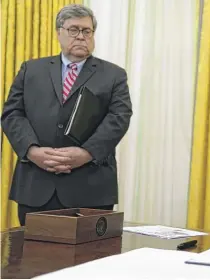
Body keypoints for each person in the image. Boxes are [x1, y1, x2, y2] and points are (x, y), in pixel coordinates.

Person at [1, 4, 132, 225]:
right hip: (36, 185)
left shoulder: (114, 75)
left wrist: (87, 152)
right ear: (59, 32)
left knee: (91, 258)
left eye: (87, 31)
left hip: (90, 187)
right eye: (74, 30)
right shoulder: (31, 70)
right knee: (34, 256)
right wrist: (32, 151)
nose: (81, 37)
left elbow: (119, 118)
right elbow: (12, 113)